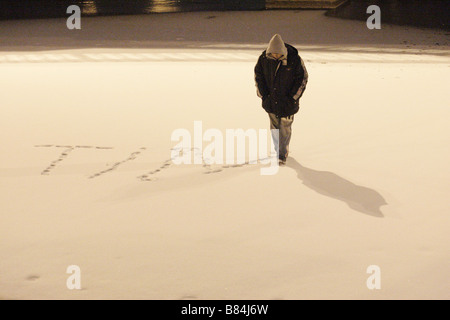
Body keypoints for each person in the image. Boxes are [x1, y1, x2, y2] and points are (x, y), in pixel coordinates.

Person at [254, 34, 308, 164]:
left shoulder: (294, 60)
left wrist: (293, 97)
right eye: (273, 54)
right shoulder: (264, 59)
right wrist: (264, 96)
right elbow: (258, 78)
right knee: (274, 127)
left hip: (288, 102)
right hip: (271, 101)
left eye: (278, 54)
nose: (276, 57)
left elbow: (302, 79)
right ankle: (277, 150)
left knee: (285, 127)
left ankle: (282, 153)